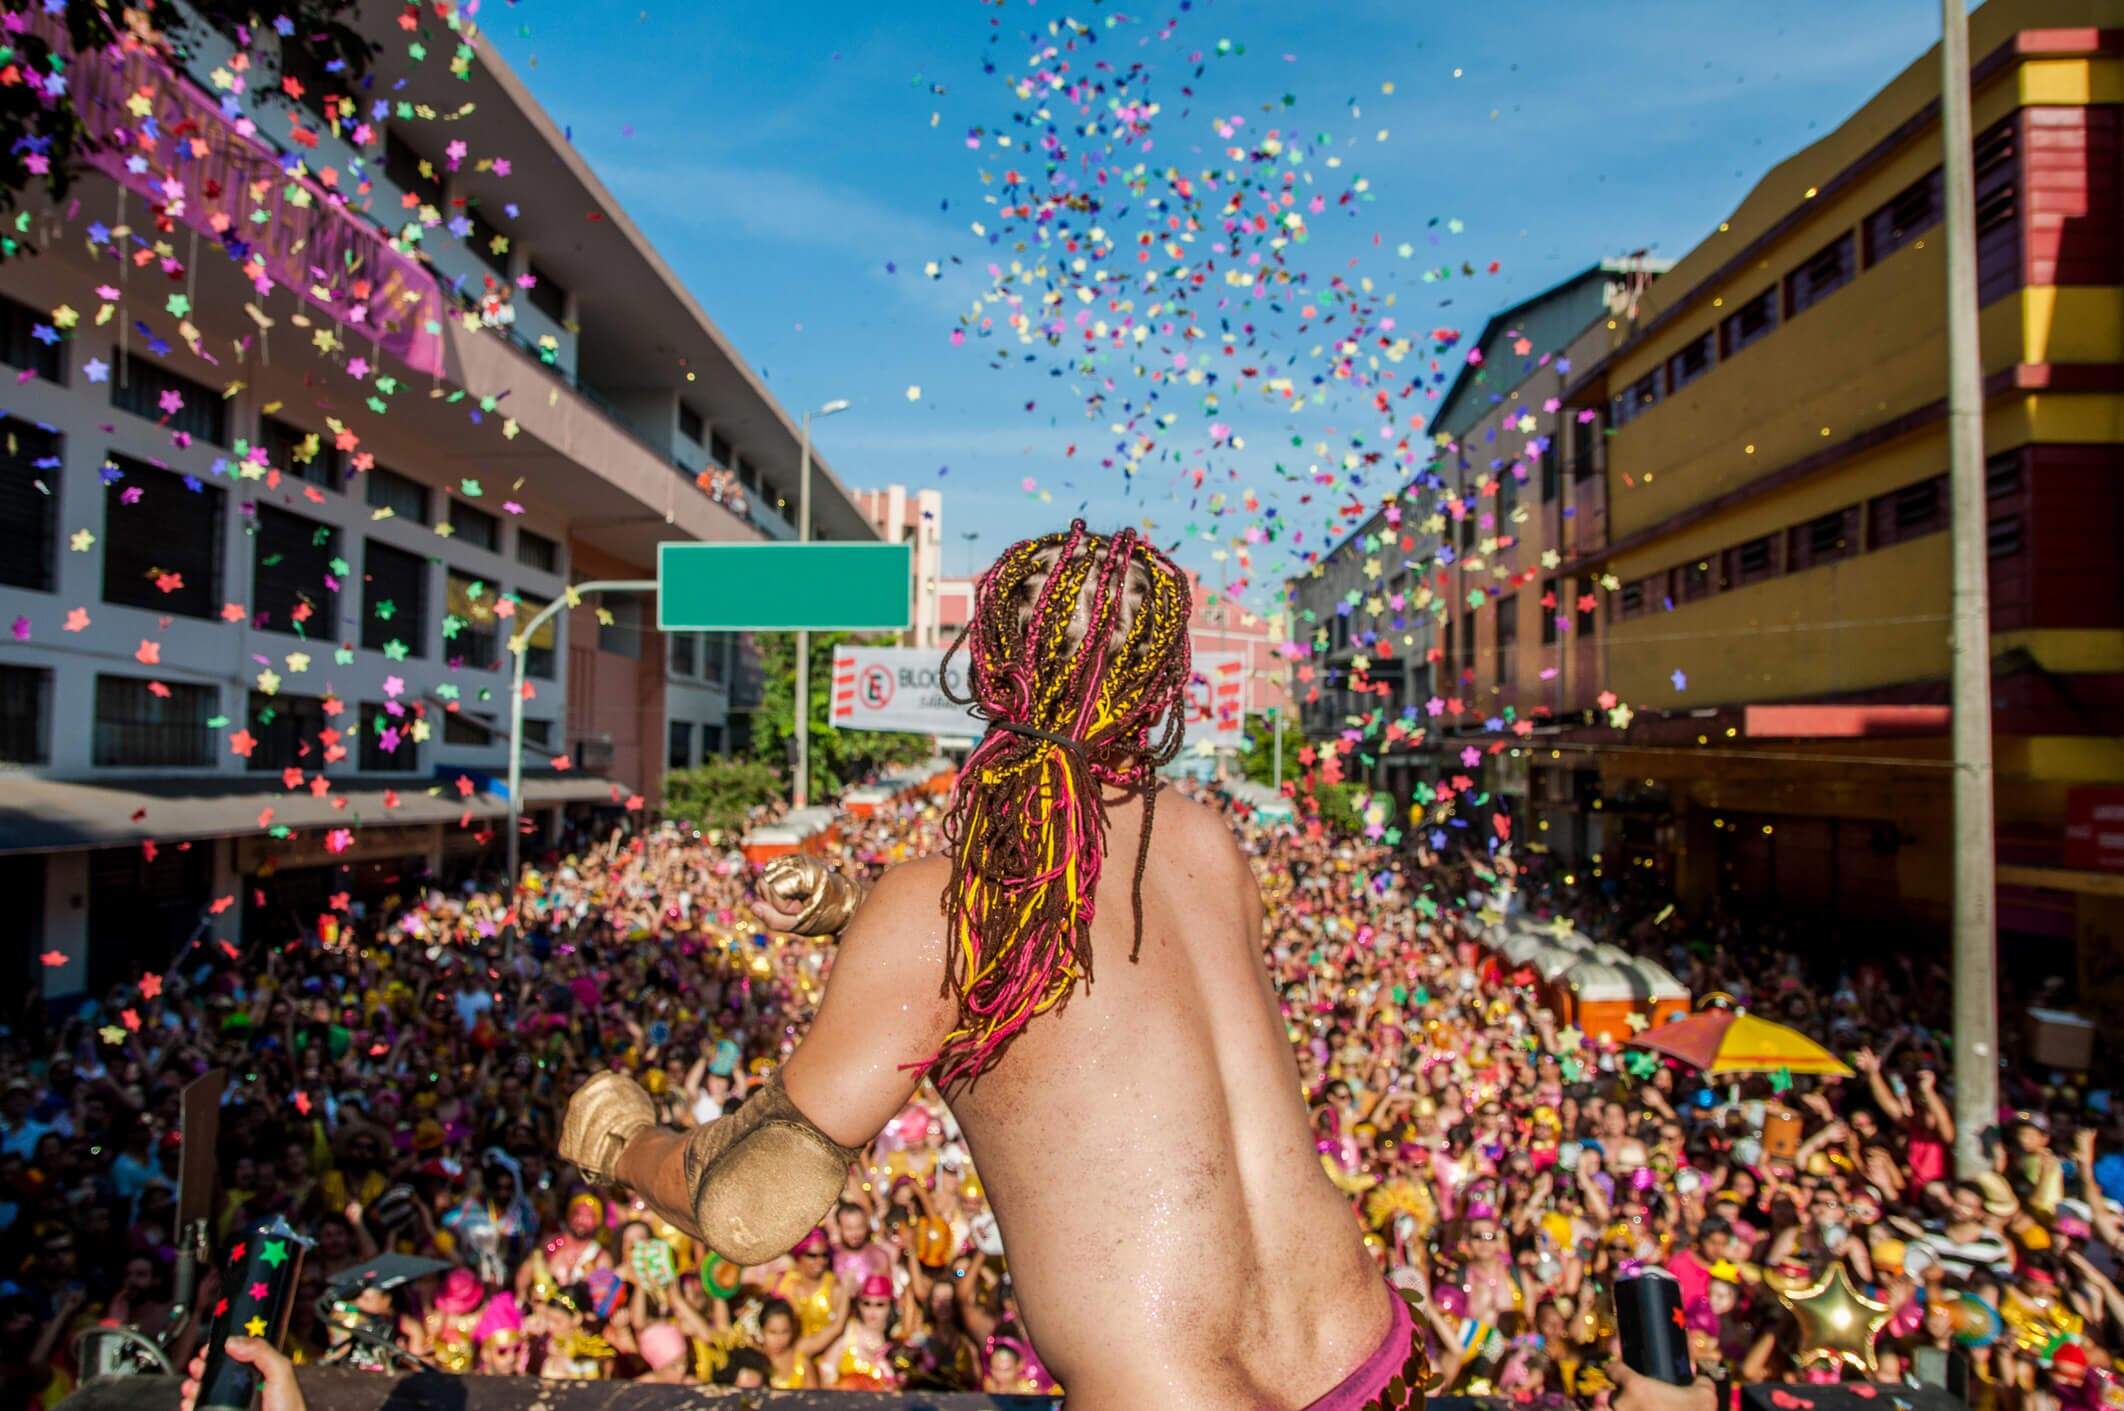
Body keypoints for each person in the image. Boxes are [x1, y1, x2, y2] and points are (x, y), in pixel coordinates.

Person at [561, 522, 1428, 1411]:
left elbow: (748, 1204)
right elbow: (1107, 966)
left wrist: (621, 1143)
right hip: (1372, 1361)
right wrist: (856, 910)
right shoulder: (1208, 840)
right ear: (1163, 683)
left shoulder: (937, 910)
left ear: (988, 666)